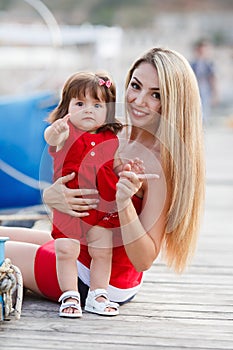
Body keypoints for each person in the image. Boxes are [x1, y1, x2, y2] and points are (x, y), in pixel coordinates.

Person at [0, 47, 205, 319]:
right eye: (136, 86)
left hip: (101, 280)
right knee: (4, 233)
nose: (139, 100)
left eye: (156, 95)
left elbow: (144, 259)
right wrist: (52, 196)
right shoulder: (118, 135)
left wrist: (124, 203)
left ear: (173, 102)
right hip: (81, 247)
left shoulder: (159, 163)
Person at [44, 71, 144, 317]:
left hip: (102, 209)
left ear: (108, 111)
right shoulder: (66, 133)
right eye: (80, 104)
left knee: (103, 251)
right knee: (66, 250)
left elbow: (117, 166)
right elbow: (50, 137)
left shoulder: (112, 139)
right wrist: (55, 131)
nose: (88, 110)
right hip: (72, 207)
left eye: (97, 105)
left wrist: (130, 173)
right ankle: (69, 295)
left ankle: (98, 294)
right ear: (66, 107)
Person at [190, 39, 218, 123]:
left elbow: (212, 78)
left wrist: (215, 93)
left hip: (205, 90)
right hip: (194, 90)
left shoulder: (209, 64)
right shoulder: (192, 63)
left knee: (204, 110)